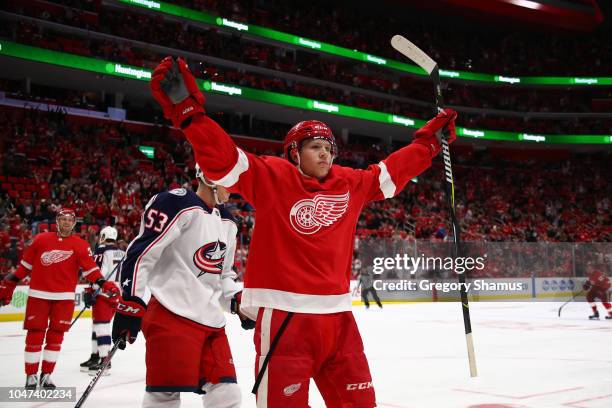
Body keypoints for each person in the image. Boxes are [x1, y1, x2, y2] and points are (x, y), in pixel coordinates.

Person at [150, 57, 457, 407]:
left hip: (339, 319)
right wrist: (189, 112)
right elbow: (223, 158)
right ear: (294, 152)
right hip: (285, 318)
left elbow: (392, 171)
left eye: (329, 148)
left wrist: (430, 144)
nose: (325, 153)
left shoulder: (351, 183)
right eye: (315, 146)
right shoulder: (271, 176)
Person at [111, 166, 251, 408]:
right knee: (164, 396)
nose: (235, 188)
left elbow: (223, 274)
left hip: (211, 322)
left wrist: (236, 302)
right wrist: (131, 301)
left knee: (227, 393)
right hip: (171, 313)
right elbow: (141, 254)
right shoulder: (176, 203)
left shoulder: (229, 221)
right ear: (208, 176)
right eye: (230, 180)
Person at [0, 208, 119, 389]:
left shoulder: (80, 245)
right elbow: (24, 266)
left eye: (69, 220)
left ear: (73, 223)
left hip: (64, 299)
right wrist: (10, 283)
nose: (66, 222)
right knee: (35, 335)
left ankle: (46, 375)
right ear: (57, 221)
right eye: (63, 219)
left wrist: (104, 283)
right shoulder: (41, 239)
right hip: (38, 296)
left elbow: (91, 270)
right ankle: (31, 376)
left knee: (56, 337)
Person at [80, 226, 125, 374]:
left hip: (103, 292)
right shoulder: (123, 252)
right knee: (98, 326)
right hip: (117, 294)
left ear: (103, 236)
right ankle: (95, 356)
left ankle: (105, 360)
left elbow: (97, 273)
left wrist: (91, 289)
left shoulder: (101, 250)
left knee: (100, 326)